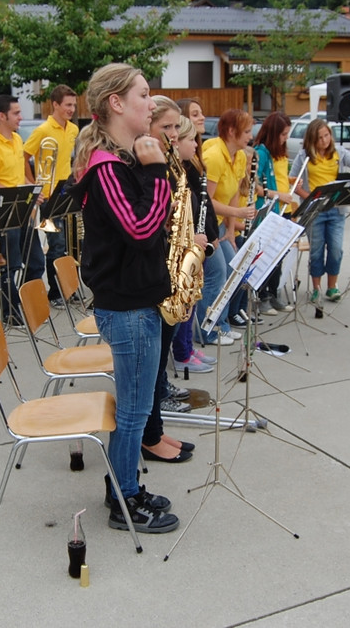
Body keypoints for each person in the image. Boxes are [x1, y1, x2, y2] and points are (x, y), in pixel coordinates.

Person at [69, 63, 178, 534]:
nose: (151, 104)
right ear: (115, 103)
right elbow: (140, 229)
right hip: (128, 308)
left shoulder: (124, 161)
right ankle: (123, 498)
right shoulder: (106, 168)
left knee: (137, 407)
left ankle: (126, 486)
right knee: (133, 412)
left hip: (140, 301)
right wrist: (156, 171)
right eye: (143, 95)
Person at [140, 97, 204, 465]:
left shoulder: (170, 167)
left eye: (176, 128)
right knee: (152, 365)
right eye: (166, 127)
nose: (174, 134)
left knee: (159, 359)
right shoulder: (149, 169)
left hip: (169, 270)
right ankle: (149, 437)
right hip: (156, 273)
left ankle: (156, 429)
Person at [290, 118, 350, 305]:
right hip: (315, 210)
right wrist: (309, 197)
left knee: (336, 249)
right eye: (319, 138)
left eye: (326, 136)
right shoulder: (304, 156)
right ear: (312, 139)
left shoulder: (339, 152)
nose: (324, 141)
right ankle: (316, 289)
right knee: (316, 251)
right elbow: (293, 181)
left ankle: (332, 287)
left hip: (336, 209)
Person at [0, 94, 45, 325]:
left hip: (22, 210)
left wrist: (32, 189)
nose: (20, 117)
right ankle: (10, 312)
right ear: (2, 116)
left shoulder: (17, 139)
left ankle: (25, 304)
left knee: (36, 262)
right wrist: (19, 192)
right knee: (10, 265)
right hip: (3, 214)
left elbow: (18, 177)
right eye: (16, 113)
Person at [169, 115, 219, 379]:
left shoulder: (189, 169)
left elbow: (204, 207)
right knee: (184, 303)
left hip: (197, 242)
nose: (196, 145)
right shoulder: (177, 173)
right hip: (185, 247)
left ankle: (187, 348)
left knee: (191, 300)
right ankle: (181, 353)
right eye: (191, 140)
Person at [23, 84, 79, 306]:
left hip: (67, 190)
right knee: (56, 244)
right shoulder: (42, 130)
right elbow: (24, 156)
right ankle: (55, 293)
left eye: (73, 105)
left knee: (70, 244)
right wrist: (32, 184)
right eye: (67, 105)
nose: (71, 109)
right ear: (55, 104)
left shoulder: (73, 129)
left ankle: (69, 289)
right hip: (48, 195)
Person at [203, 108, 257, 332]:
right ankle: (208, 329)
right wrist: (238, 213)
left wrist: (231, 230)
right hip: (206, 224)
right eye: (246, 131)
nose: (250, 136)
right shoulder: (214, 156)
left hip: (220, 223)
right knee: (218, 274)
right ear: (232, 132)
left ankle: (221, 324)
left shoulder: (240, 155)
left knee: (233, 270)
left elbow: (234, 192)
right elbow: (206, 201)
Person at [251, 112, 297, 314]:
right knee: (265, 256)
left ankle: (273, 293)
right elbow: (254, 186)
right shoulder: (260, 153)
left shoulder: (272, 153)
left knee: (277, 255)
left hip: (277, 211)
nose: (285, 139)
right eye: (283, 134)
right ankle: (262, 296)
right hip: (265, 211)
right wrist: (278, 195)